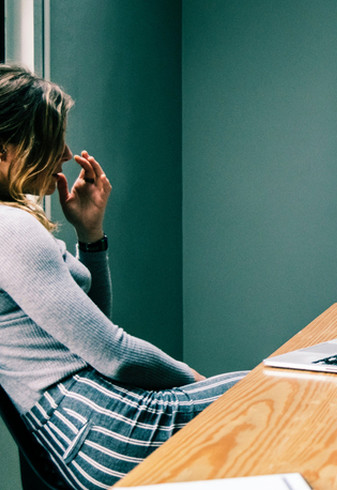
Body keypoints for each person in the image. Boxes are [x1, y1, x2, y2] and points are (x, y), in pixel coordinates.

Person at [0, 64, 247, 489]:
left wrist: (90, 234)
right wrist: (199, 382)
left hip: (90, 430)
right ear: (4, 149)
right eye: (49, 137)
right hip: (102, 430)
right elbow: (114, 352)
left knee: (274, 394)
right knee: (276, 392)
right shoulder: (10, 227)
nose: (63, 152)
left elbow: (87, 335)